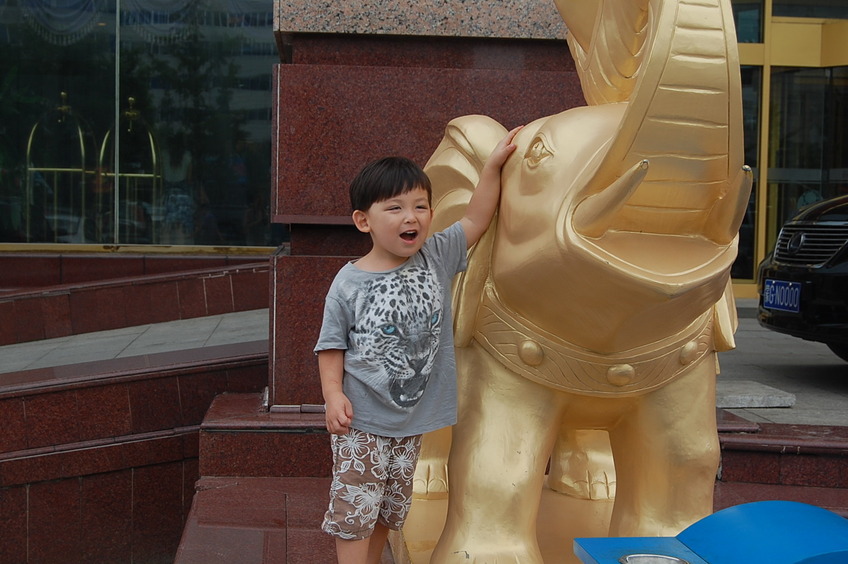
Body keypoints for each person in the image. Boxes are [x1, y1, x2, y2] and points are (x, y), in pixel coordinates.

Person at [314, 125, 522, 564]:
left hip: (412, 423)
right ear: (363, 220)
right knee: (356, 511)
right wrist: (333, 394)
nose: (412, 217)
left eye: (420, 206)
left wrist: (493, 166)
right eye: (395, 208)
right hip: (363, 423)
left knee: (391, 509)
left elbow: (476, 218)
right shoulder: (349, 283)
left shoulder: (437, 255)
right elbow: (331, 345)